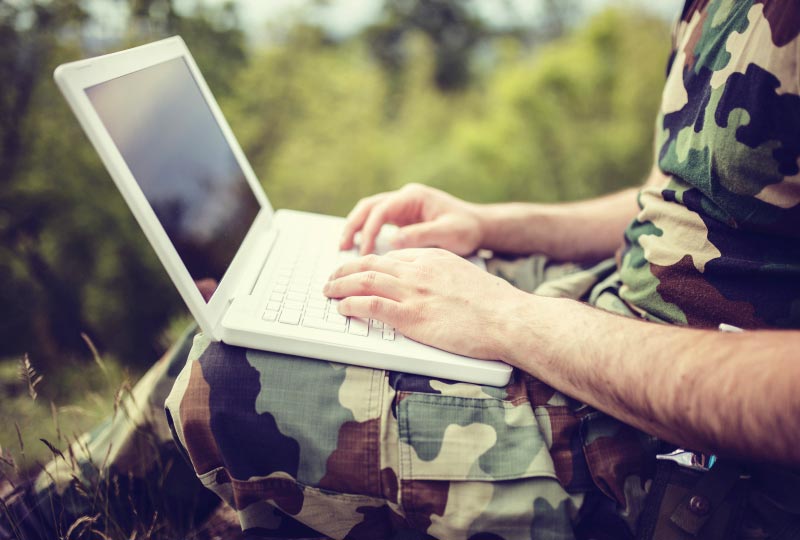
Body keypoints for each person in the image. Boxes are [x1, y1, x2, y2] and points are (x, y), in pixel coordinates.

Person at [3, 1, 799, 539]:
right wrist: (492, 224)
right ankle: (41, 515)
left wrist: (507, 318)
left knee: (226, 380)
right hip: (607, 315)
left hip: (692, 466)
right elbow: (682, 198)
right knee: (269, 314)